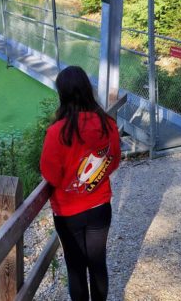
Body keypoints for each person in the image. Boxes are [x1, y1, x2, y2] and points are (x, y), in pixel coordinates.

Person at [40, 65, 121, 301]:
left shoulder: (57, 132)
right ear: (88, 90)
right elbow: (113, 160)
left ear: (62, 94)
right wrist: (94, 180)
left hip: (68, 212)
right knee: (97, 264)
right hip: (99, 207)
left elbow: (51, 175)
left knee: (76, 268)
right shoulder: (107, 124)